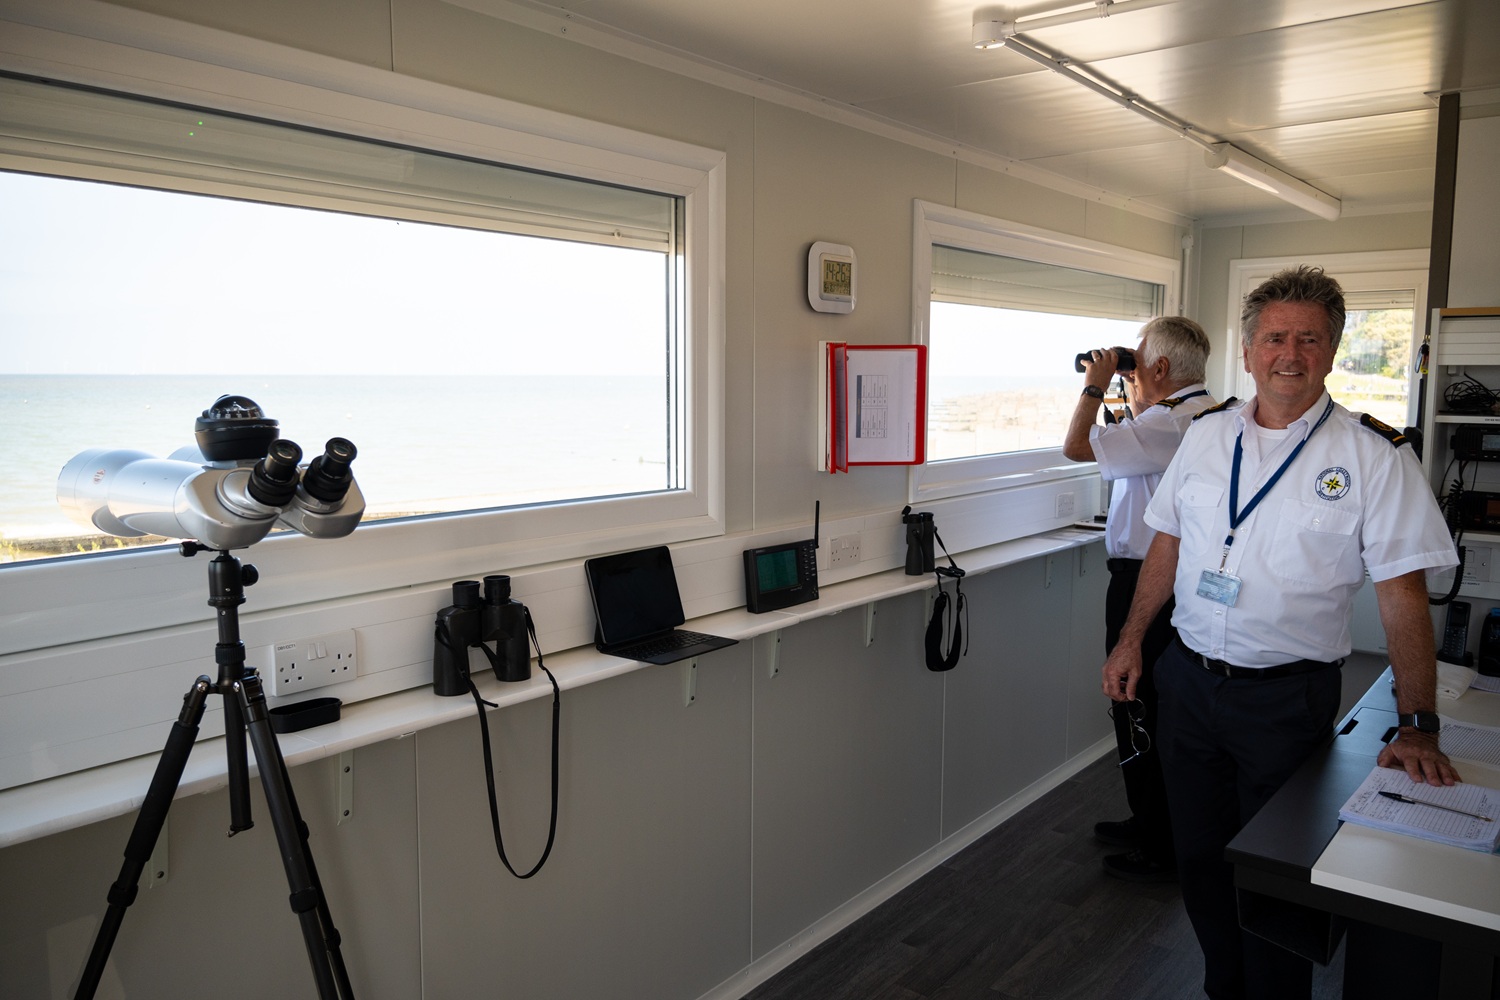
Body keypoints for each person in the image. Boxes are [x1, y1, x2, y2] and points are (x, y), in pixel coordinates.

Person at [1101, 265, 1459, 1000]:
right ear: (1248, 346)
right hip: (1188, 682)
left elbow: (1402, 596)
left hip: (1285, 700)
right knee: (1198, 857)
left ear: (1332, 350)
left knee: (1276, 873)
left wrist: (1417, 723)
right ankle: (1222, 987)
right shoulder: (1203, 436)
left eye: (1308, 338)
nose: (1288, 354)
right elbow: (1165, 541)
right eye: (1273, 337)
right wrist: (1134, 638)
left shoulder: (1374, 457)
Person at [1062, 317, 1216, 882]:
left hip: (1143, 582)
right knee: (1157, 703)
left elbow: (1076, 446)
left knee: (1135, 700)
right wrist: (1131, 391)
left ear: (1158, 368)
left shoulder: (1165, 424)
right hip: (1180, 583)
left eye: (1137, 359)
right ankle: (1152, 820)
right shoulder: (1205, 415)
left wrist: (1095, 383)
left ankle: (1158, 841)